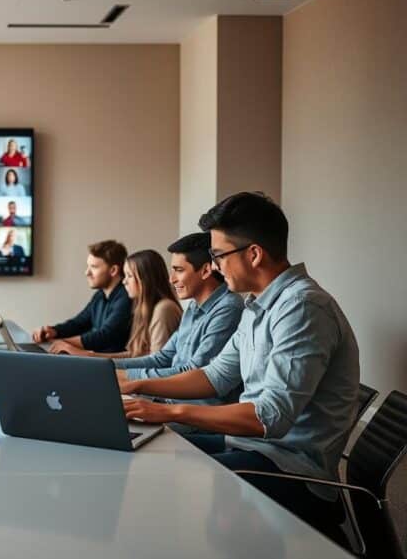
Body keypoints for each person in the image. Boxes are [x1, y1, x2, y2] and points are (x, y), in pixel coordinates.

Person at [117, 192, 359, 546]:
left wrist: (166, 410)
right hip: (253, 448)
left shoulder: (303, 307)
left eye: (218, 256)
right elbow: (215, 376)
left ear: (254, 253)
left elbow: (269, 417)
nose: (213, 267)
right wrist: (137, 388)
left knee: (162, 476)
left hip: (292, 470)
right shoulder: (256, 306)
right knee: (151, 451)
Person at [115, 233, 243, 404]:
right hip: (171, 404)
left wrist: (128, 377)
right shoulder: (192, 307)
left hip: (195, 416)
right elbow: (161, 358)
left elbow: (193, 371)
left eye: (179, 270)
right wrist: (108, 367)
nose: (171, 279)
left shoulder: (228, 308)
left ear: (205, 270)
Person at [60, 250, 182, 359]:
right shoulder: (143, 309)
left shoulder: (164, 309)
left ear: (145, 280)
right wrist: (92, 356)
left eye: (129, 276)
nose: (124, 281)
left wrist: (91, 356)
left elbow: (156, 362)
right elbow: (136, 354)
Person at [32, 240, 132, 354]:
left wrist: (60, 342)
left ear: (113, 270)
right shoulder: (100, 295)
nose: (87, 272)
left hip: (112, 366)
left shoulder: (126, 296)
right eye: (87, 266)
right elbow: (79, 323)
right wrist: (54, 331)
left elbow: (106, 336)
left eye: (94, 267)